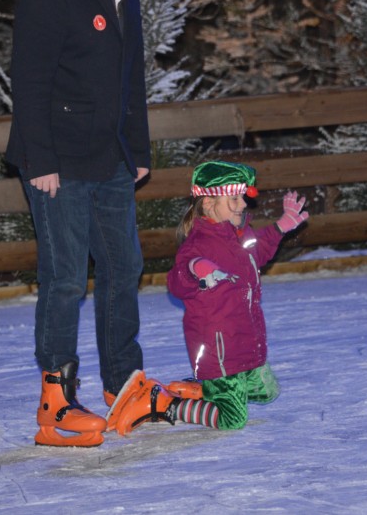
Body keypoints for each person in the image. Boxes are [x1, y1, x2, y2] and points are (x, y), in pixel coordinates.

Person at [5, 0, 175, 447]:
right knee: (64, 279)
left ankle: (124, 385)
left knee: (125, 266)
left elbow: (130, 78)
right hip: (57, 162)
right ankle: (56, 402)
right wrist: (41, 159)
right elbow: (29, 81)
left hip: (111, 160)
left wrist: (139, 148)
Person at [105, 160, 309, 435]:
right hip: (219, 350)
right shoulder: (199, 243)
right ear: (209, 203)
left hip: (246, 342)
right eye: (233, 198)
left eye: (242, 197)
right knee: (233, 418)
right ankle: (163, 404)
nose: (241, 205)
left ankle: (203, 390)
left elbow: (257, 251)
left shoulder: (240, 235)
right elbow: (177, 280)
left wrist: (282, 226)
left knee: (268, 391)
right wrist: (196, 268)